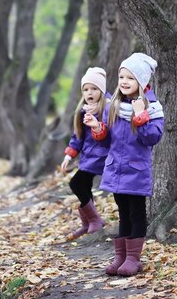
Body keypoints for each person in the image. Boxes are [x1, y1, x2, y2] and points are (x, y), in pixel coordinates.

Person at [85, 53, 164, 277]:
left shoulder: (152, 108)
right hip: (116, 170)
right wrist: (97, 128)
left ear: (142, 81)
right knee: (122, 214)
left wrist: (140, 117)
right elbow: (109, 139)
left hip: (136, 170)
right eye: (121, 76)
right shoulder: (115, 107)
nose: (124, 81)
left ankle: (133, 259)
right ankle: (120, 256)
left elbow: (152, 138)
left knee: (136, 213)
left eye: (130, 77)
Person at [61, 67, 110, 240]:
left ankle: (95, 219)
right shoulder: (83, 111)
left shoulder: (108, 108)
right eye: (86, 89)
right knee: (83, 185)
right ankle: (88, 222)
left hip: (102, 155)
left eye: (94, 89)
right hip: (88, 156)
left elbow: (109, 134)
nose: (90, 92)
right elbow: (78, 136)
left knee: (76, 183)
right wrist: (69, 154)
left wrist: (96, 124)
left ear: (101, 90)